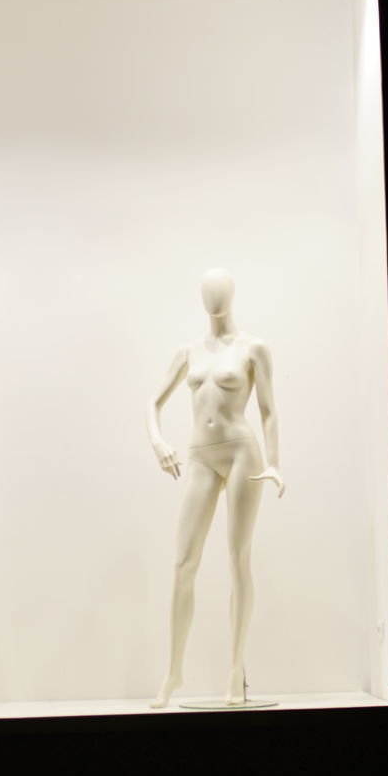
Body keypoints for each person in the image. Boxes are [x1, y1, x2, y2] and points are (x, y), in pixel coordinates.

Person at [148, 267, 284, 708]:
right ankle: (173, 673)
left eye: (219, 290)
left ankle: (234, 671)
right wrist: (158, 441)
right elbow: (153, 402)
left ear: (232, 294)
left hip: (244, 453)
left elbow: (267, 410)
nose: (214, 297)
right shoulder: (188, 351)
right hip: (201, 456)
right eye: (207, 291)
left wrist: (276, 462)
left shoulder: (253, 348)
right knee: (184, 562)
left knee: (237, 559)